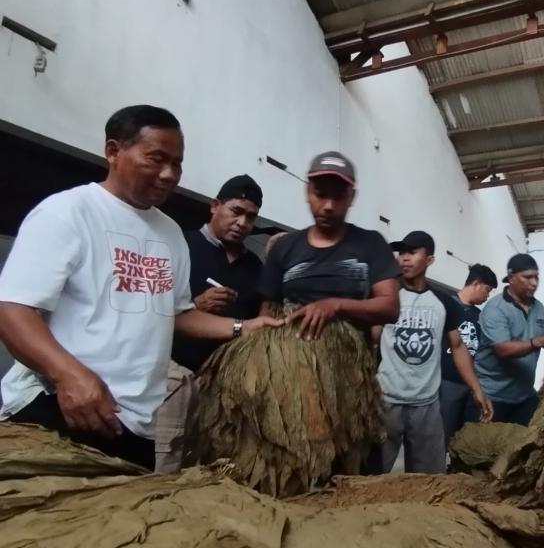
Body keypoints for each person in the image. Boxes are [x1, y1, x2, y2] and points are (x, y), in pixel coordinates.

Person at [0, 105, 276, 468]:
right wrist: (66, 374)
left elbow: (179, 315)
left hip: (135, 425)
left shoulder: (170, 234)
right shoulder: (67, 212)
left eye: (177, 163)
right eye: (156, 159)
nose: (169, 174)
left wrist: (244, 327)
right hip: (60, 408)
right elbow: (13, 309)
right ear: (113, 151)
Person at [155, 174, 265, 472]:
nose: (242, 223)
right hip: (173, 374)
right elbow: (153, 310)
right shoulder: (180, 244)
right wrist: (195, 305)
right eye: (236, 211)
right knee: (164, 458)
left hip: (221, 386)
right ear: (215, 206)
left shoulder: (254, 267)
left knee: (204, 464)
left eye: (251, 217)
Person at [374, 232, 493, 473]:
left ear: (429, 260)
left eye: (412, 252)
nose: (404, 258)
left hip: (426, 406)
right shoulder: (386, 296)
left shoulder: (444, 303)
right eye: (401, 252)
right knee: (371, 475)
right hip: (386, 402)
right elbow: (372, 341)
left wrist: (476, 389)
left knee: (429, 478)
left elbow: (458, 347)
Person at [258, 151, 400, 333]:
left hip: (349, 349)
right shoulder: (284, 246)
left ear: (351, 197)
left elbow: (390, 307)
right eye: (321, 194)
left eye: (338, 197)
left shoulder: (372, 243)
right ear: (308, 193)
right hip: (291, 347)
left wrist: (335, 305)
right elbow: (267, 311)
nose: (328, 206)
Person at [469, 254, 544, 426]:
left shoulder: (538, 307)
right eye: (528, 277)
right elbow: (503, 349)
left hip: (524, 396)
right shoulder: (496, 309)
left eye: (536, 277)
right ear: (511, 278)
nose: (534, 283)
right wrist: (536, 342)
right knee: (489, 442)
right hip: (492, 397)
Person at [440, 263, 498, 446]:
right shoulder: (446, 306)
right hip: (446, 382)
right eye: (487, 290)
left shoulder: (480, 316)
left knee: (464, 439)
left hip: (470, 384)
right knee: (441, 436)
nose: (487, 296)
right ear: (476, 284)